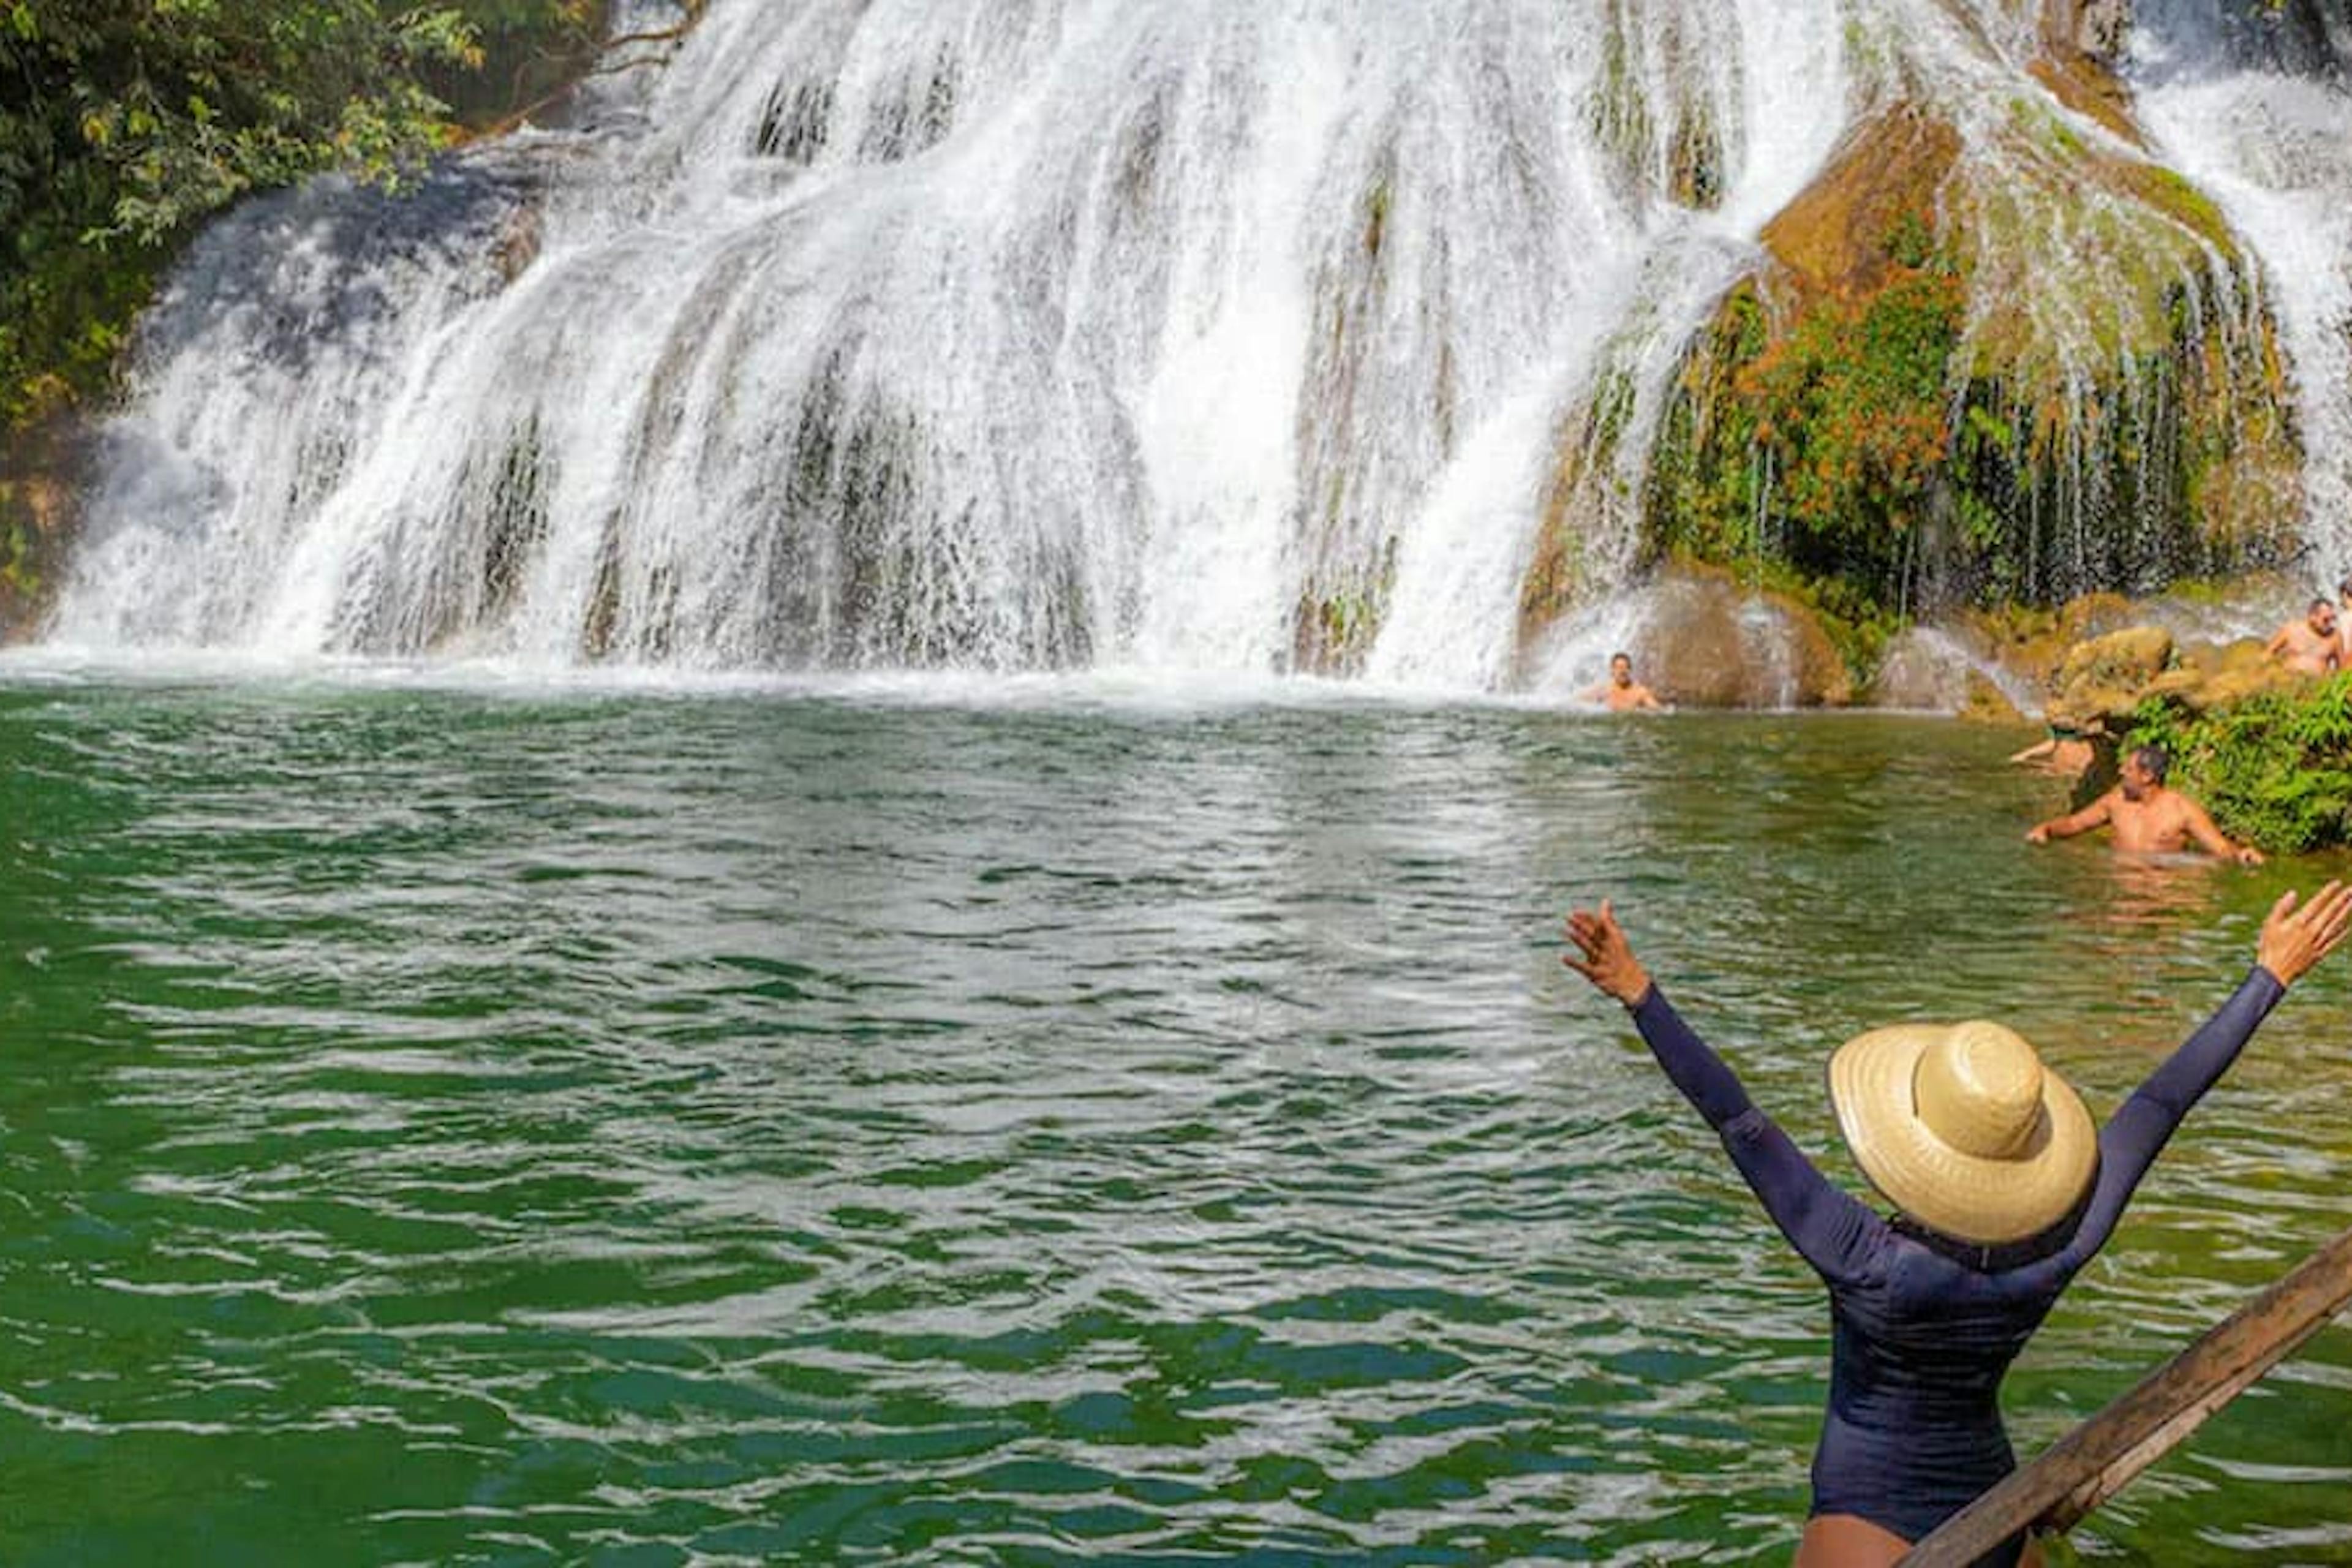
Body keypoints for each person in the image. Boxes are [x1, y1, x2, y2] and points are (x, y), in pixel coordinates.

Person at [1562, 882, 2352, 1566]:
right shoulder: (2061, 1245)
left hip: (1864, 1522)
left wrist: (1640, 992)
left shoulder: (1863, 1256)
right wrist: (2269, 977)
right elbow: (2159, 1103)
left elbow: (1736, 1119)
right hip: (1995, 1512)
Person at [2025, 744, 2263, 864]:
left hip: (2161, 891)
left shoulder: (2181, 809)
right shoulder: (2116, 800)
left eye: (2128, 769)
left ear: (2147, 776)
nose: (2121, 772)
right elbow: (2075, 823)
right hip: (2121, 890)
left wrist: (2241, 854)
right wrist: (2047, 829)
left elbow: (2220, 848)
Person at [2263, 597, 2341, 676]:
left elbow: (2342, 667)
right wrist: (2274, 674)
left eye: (2333, 619)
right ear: (2312, 616)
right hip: (2289, 683)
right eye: (2326, 620)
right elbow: (2267, 654)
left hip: (2319, 685)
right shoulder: (2291, 629)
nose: (2330, 624)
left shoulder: (2335, 636)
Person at [1583, 651, 1665, 712]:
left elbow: (1659, 710)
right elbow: (1578, 704)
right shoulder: (1605, 690)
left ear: (1630, 670)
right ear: (1612, 671)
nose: (1622, 671)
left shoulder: (1639, 692)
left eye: (1626, 668)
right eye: (1619, 668)